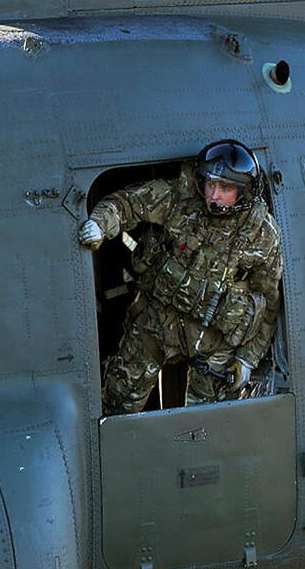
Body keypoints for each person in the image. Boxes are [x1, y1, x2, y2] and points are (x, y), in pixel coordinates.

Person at [78, 140, 283, 415]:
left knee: (209, 425)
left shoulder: (262, 233)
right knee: (118, 403)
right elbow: (128, 203)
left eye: (226, 188)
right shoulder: (180, 200)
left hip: (215, 345)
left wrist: (248, 359)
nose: (215, 195)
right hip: (159, 322)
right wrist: (100, 225)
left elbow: (269, 304)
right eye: (211, 185)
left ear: (244, 192)